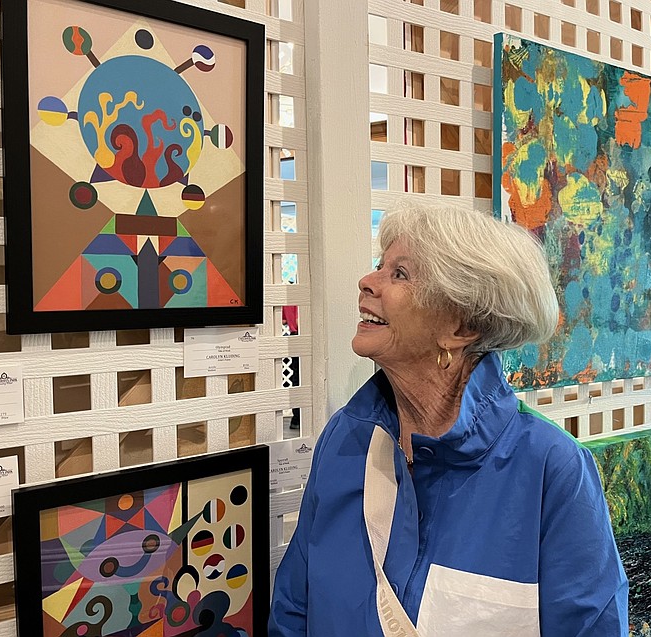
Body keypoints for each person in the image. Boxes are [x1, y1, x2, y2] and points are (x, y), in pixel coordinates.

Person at [268, 202, 628, 636]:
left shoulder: (551, 468)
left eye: (399, 273)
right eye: (380, 266)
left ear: (460, 327)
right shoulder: (347, 436)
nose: (367, 282)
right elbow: (293, 608)